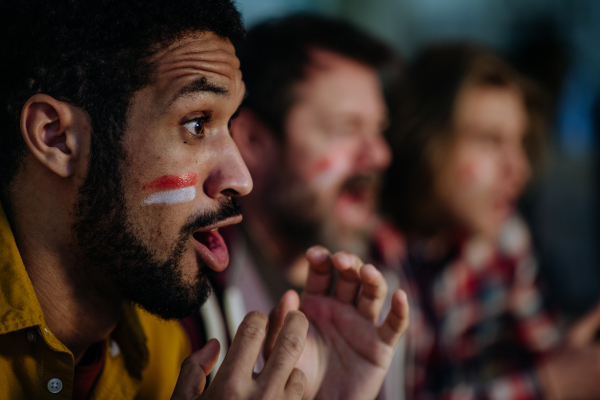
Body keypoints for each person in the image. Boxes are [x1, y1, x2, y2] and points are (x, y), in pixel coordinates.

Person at [0, 1, 409, 399]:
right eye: (197, 123)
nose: (241, 179)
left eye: (228, 124)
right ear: (57, 137)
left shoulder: (169, 355)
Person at [187, 14, 404, 398]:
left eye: (379, 130)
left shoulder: (389, 285)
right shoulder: (185, 302)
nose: (380, 155)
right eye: (346, 128)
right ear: (253, 140)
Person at [384, 43, 600, 400]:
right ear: (426, 141)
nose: (520, 170)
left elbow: (541, 349)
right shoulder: (373, 260)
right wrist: (551, 384)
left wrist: (573, 357)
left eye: (519, 143)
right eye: (489, 140)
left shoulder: (502, 235)